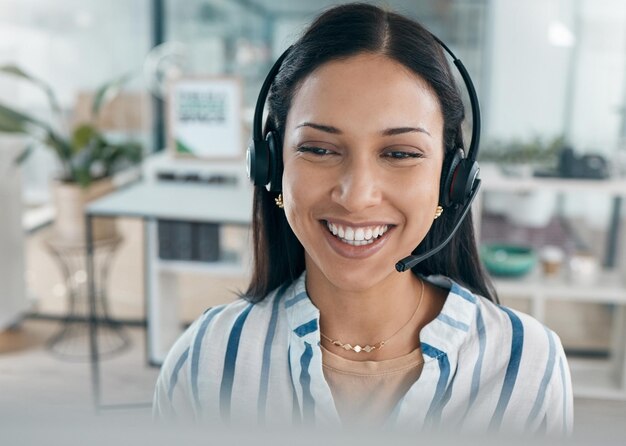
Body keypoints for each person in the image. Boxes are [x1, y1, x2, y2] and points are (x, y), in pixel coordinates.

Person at [153, 3, 573, 434]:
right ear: (272, 167)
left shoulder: (526, 368)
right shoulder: (206, 360)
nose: (356, 197)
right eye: (318, 149)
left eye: (400, 154)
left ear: (452, 180)